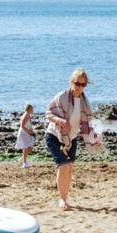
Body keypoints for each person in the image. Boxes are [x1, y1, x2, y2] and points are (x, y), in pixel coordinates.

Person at [45, 68, 95, 210]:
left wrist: (94, 136)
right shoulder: (62, 97)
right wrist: (60, 121)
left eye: (83, 85)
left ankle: (65, 199)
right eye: (78, 84)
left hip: (71, 138)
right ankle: (62, 200)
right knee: (63, 166)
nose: (80, 88)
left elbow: (87, 122)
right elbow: (48, 113)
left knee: (70, 168)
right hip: (55, 136)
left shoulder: (84, 102)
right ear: (72, 82)